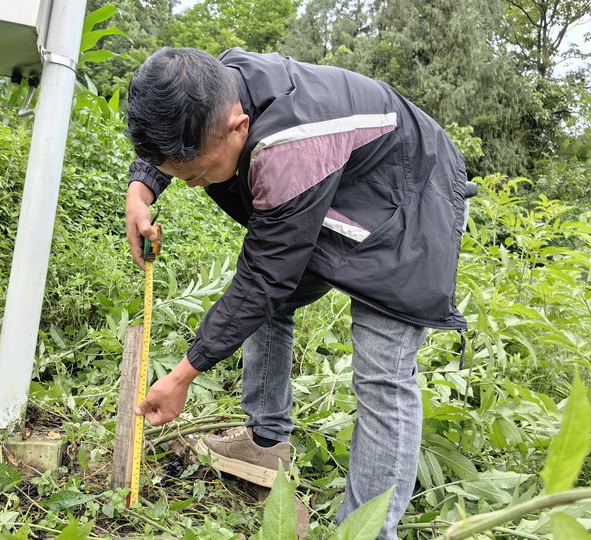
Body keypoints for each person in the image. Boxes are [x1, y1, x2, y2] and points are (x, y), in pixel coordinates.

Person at [125, 47, 468, 539]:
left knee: (382, 369)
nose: (195, 184)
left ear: (239, 126)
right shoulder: (209, 83)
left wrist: (183, 374)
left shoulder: (291, 145)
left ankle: (367, 531)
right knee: (267, 304)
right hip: (340, 178)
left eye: (197, 175)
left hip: (413, 194)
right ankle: (265, 443)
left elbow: (265, 276)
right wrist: (142, 189)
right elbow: (175, 134)